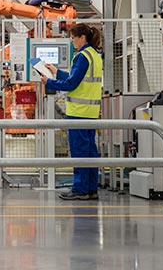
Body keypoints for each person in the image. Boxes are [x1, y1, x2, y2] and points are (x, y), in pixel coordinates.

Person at [41, 24, 103, 200]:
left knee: (79, 151)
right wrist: (56, 72)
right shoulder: (94, 56)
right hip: (91, 111)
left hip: (78, 112)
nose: (72, 42)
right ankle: (91, 189)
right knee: (90, 151)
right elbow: (76, 79)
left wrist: (49, 83)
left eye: (73, 38)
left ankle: (80, 189)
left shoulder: (82, 56)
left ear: (82, 37)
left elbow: (71, 84)